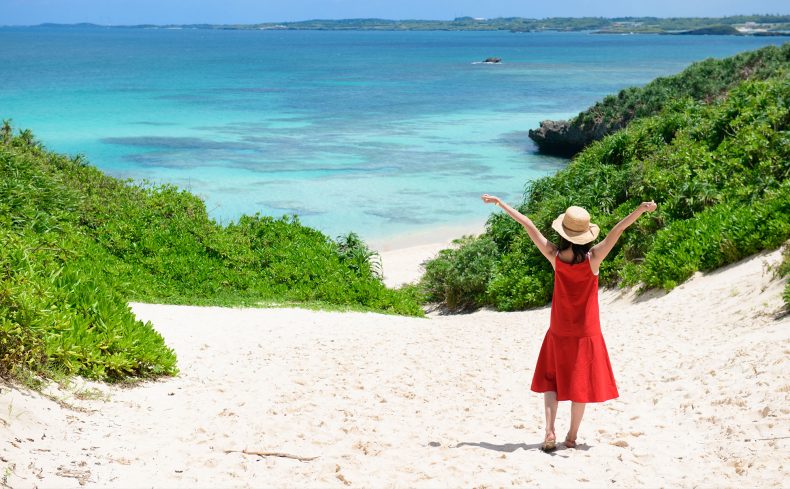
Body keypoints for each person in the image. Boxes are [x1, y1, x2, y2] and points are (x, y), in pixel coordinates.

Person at [481, 195, 657, 452]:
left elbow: (528, 224)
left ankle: (549, 429)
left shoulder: (554, 256)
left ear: (563, 232)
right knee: (580, 382)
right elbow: (619, 229)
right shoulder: (594, 257)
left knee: (551, 379)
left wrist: (500, 203)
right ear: (586, 234)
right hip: (586, 331)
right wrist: (641, 209)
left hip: (559, 328)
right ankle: (571, 437)